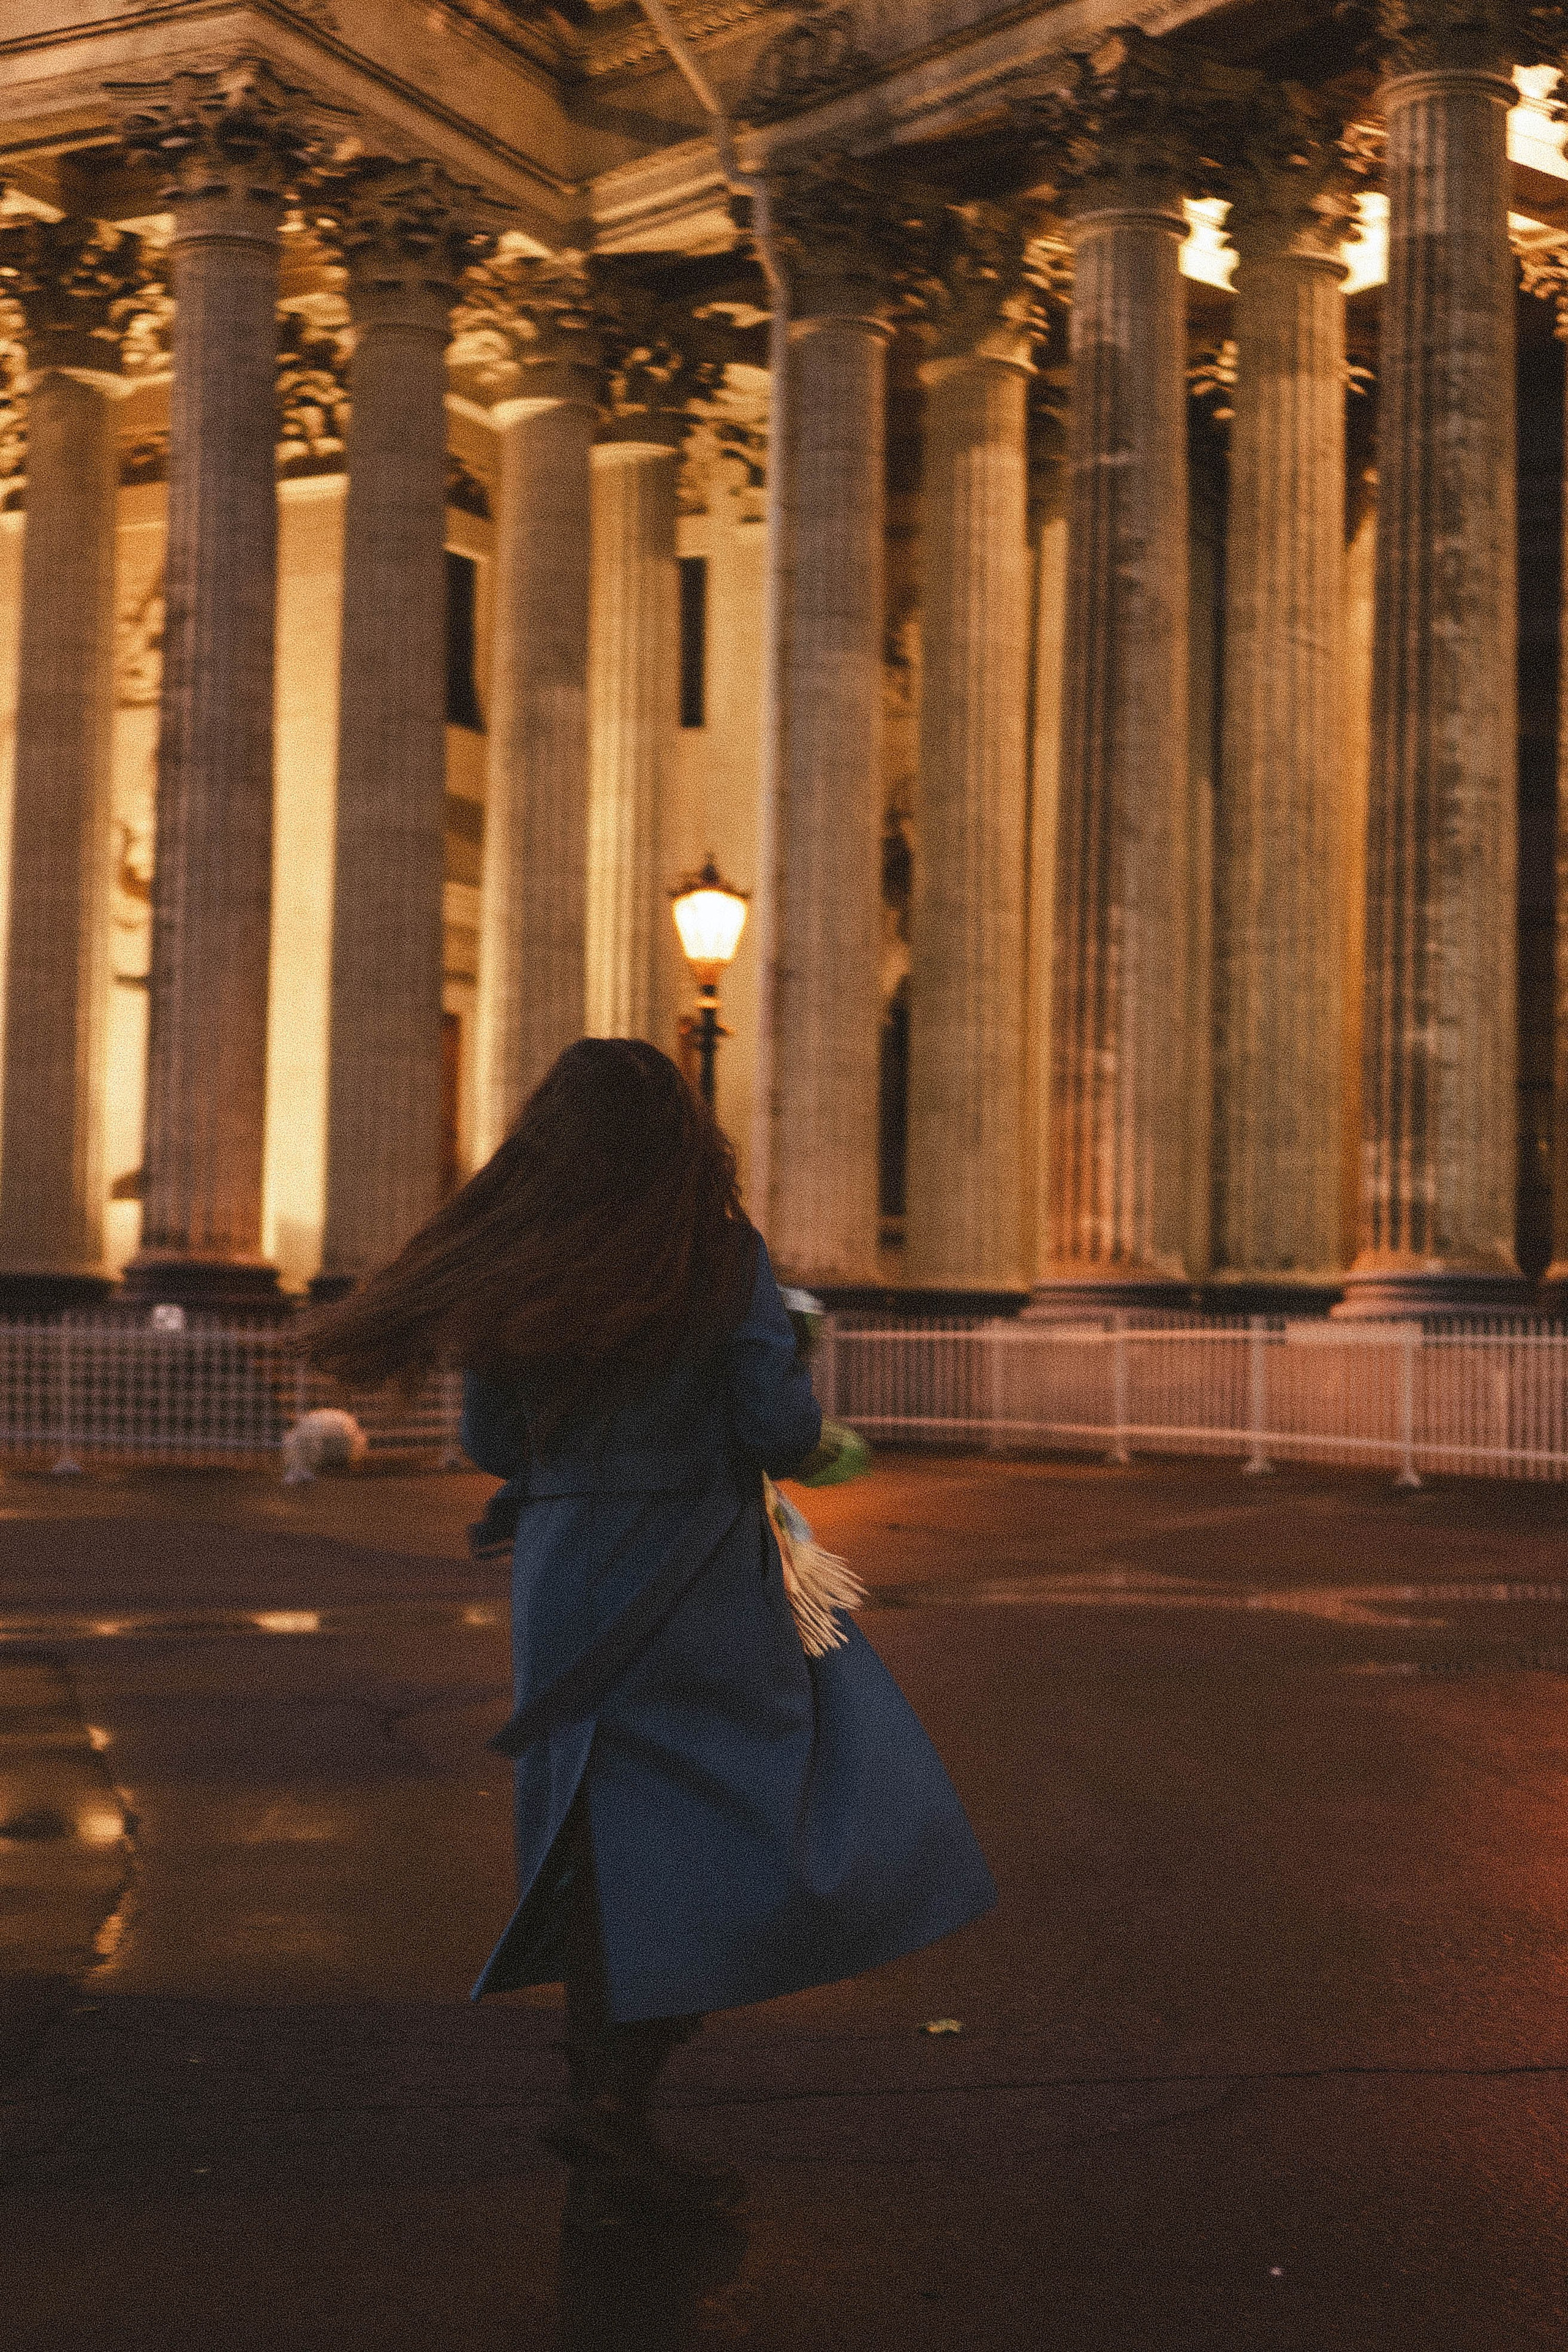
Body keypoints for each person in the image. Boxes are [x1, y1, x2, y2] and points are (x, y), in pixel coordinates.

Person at [304, 1038, 996, 2227]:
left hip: (565, 1576)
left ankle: (604, 2104)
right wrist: (797, 1375)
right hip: (696, 1573)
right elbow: (777, 1433)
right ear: (680, 1138)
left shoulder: (521, 1267)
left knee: (592, 1829)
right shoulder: (714, 1256)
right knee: (753, 1823)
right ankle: (618, 2102)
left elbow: (492, 1445)